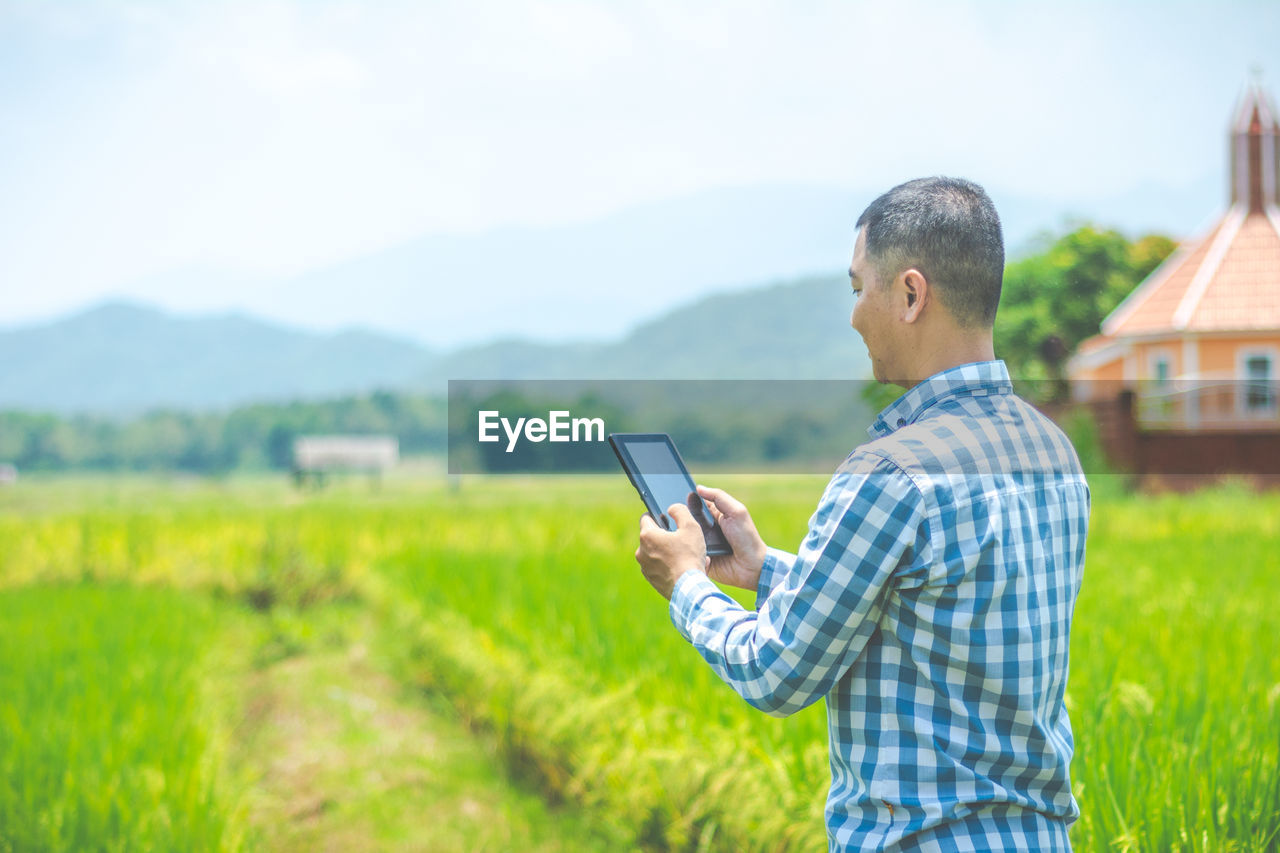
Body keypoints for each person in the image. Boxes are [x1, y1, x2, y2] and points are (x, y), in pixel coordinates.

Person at [635, 176, 1089, 851]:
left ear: (911, 294)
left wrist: (687, 583)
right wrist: (764, 570)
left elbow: (777, 670)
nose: (852, 316)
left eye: (857, 289)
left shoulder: (891, 471)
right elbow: (931, 614)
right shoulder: (1052, 449)